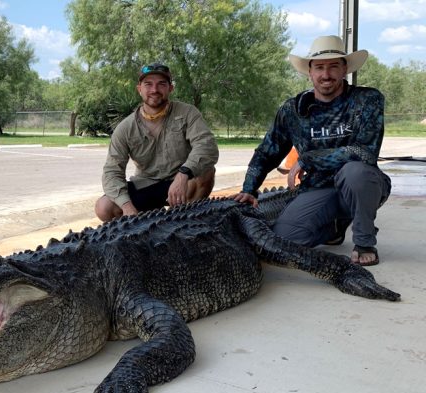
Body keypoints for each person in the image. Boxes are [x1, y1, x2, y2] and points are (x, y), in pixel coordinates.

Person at [233, 35, 391, 266]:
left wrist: (309, 159)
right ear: (310, 71)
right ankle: (334, 228)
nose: (326, 75)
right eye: (319, 67)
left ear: (344, 68)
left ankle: (365, 241)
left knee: (355, 172)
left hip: (361, 186)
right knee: (283, 240)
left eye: (333, 66)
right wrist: (249, 188)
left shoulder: (367, 100)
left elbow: (365, 152)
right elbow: (268, 150)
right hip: (318, 188)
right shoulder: (292, 110)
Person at [95, 63, 219, 222]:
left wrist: (182, 175)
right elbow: (112, 172)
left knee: (206, 172)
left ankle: (183, 221)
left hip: (182, 182)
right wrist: (127, 207)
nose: (154, 89)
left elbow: (206, 147)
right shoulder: (125, 128)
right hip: (146, 183)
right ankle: (147, 218)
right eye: (148, 84)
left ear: (170, 88)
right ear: (139, 88)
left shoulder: (188, 112)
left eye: (161, 84)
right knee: (103, 208)